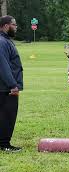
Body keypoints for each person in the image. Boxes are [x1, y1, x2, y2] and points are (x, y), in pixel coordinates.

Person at [0, 15, 23, 152]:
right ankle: (4, 144)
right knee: (7, 115)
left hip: (5, 86)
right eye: (14, 25)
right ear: (6, 26)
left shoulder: (5, 40)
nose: (16, 27)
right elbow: (3, 65)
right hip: (6, 88)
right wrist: (12, 85)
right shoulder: (2, 42)